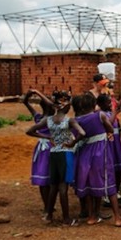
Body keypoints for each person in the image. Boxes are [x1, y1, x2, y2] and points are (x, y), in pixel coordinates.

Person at [26, 91, 84, 226]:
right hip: (66, 153)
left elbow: (29, 131)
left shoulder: (48, 120)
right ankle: (66, 219)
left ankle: (48, 215)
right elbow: (82, 133)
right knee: (63, 187)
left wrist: (47, 137)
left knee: (53, 186)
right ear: (64, 106)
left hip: (53, 153)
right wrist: (72, 143)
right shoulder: (69, 121)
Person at [72, 93, 121, 227]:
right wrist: (107, 133)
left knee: (91, 183)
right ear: (94, 105)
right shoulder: (99, 115)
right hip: (100, 153)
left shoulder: (77, 120)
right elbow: (109, 127)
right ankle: (118, 218)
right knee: (109, 182)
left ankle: (93, 216)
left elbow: (77, 136)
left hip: (84, 154)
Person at [23, 88, 55, 217]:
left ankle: (48, 205)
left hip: (42, 149)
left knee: (45, 179)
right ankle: (48, 207)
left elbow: (25, 102)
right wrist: (37, 92)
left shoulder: (39, 117)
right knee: (47, 179)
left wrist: (31, 94)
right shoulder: (50, 119)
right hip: (49, 148)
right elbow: (50, 104)